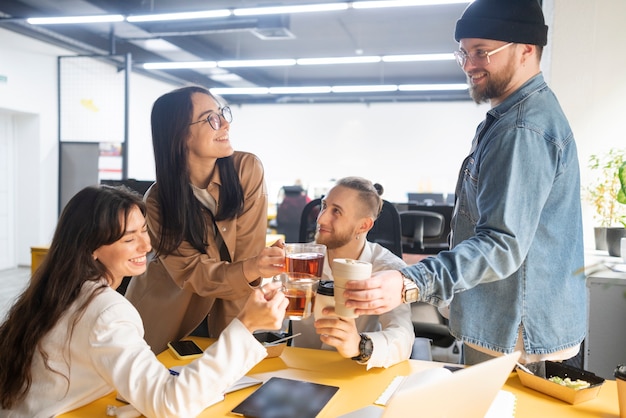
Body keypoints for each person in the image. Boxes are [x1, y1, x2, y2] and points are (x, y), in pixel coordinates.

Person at [342, 0, 587, 366]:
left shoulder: (522, 129)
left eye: (482, 52)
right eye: (464, 53)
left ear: (526, 50)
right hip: (512, 326)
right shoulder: (510, 119)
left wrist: (410, 283)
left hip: (517, 337)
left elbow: (501, 245)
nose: (469, 64)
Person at [0, 185, 287, 417]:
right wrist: (247, 324)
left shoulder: (57, 291)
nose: (146, 246)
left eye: (144, 231)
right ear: (91, 248)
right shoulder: (105, 310)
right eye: (129, 239)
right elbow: (170, 404)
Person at [125, 86, 285, 354]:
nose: (225, 124)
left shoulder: (247, 170)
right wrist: (252, 268)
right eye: (211, 118)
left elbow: (246, 258)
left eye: (222, 114)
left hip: (228, 309)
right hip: (169, 314)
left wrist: (233, 344)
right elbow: (192, 272)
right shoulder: (157, 200)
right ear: (181, 135)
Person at [291, 177, 414, 369]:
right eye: (324, 206)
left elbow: (403, 337)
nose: (320, 218)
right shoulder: (299, 259)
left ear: (364, 225)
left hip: (354, 370)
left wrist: (359, 345)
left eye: (336, 212)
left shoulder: (387, 268)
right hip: (300, 369)